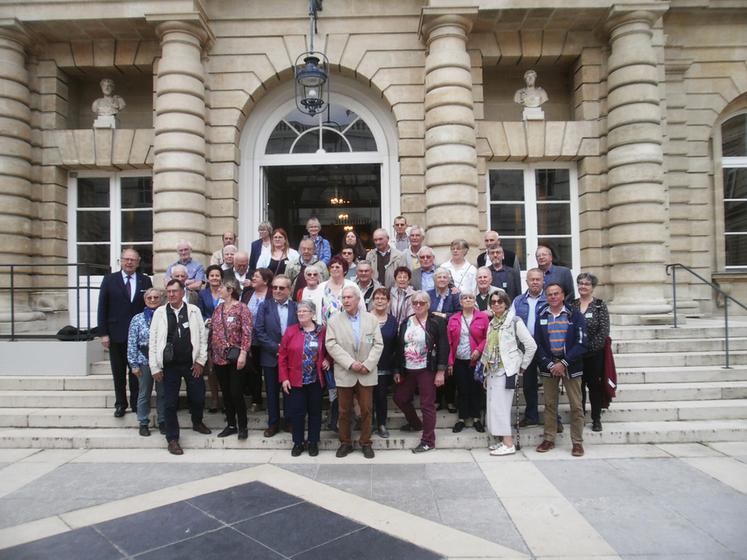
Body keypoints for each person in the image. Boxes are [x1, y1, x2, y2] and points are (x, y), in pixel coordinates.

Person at [149, 279, 211, 456]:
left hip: (191, 364)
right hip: (169, 366)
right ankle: (172, 438)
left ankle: (197, 422)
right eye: (168, 292)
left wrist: (200, 361)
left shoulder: (193, 311)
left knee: (198, 397)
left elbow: (202, 336)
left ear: (182, 292)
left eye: (174, 291)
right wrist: (154, 367)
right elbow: (153, 341)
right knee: (169, 403)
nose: (170, 295)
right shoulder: (160, 313)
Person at [325, 286, 384, 459]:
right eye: (344, 298)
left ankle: (366, 442)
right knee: (344, 411)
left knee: (366, 409)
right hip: (346, 372)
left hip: (367, 372)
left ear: (358, 300)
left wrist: (368, 364)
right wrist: (351, 364)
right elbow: (331, 345)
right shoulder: (334, 321)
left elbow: (378, 344)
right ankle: (345, 443)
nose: (346, 301)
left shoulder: (371, 320)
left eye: (350, 297)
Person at [97, 247, 153, 417]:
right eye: (126, 259)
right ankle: (120, 403)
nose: (129, 262)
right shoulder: (109, 280)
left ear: (138, 262)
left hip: (138, 336)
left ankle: (136, 403)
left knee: (137, 372)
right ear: (121, 261)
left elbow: (149, 307)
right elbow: (102, 308)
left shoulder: (145, 281)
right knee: (119, 371)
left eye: (133, 260)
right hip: (116, 334)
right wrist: (103, 333)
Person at [482, 290, 537, 456]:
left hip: (506, 371)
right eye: (493, 302)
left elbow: (531, 346)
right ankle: (501, 440)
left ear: (506, 303)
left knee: (501, 407)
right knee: (494, 406)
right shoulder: (492, 323)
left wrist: (522, 366)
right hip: (492, 369)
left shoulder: (514, 321)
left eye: (500, 301)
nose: (496, 304)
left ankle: (508, 443)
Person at [534, 283, 587, 457]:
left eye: (556, 293)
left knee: (576, 405)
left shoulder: (574, 314)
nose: (553, 297)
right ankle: (549, 438)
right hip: (549, 365)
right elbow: (538, 344)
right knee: (549, 404)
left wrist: (563, 363)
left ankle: (577, 442)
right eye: (550, 294)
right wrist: (550, 364)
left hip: (570, 365)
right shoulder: (542, 314)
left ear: (563, 295)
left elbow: (581, 344)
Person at [393, 290, 449, 453]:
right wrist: (397, 369)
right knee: (400, 398)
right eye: (415, 302)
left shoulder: (436, 322)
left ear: (428, 304)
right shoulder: (406, 322)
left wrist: (440, 371)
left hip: (427, 368)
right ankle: (416, 423)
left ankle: (428, 440)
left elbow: (444, 347)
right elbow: (399, 347)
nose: (418, 305)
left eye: (421, 302)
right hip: (408, 369)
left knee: (427, 404)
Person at [279, 300, 330, 457]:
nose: (301, 313)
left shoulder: (322, 331)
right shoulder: (290, 331)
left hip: (315, 380)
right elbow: (282, 356)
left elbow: (331, 348)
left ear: (313, 314)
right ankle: (298, 442)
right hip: (296, 380)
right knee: (298, 413)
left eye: (305, 311)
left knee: (315, 412)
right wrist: (284, 378)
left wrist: (328, 359)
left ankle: (313, 442)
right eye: (299, 311)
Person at [254, 274, 298, 437]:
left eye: (282, 288)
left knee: (290, 392)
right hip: (271, 357)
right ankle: (273, 424)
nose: (277, 291)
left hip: (291, 358)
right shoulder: (264, 306)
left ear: (289, 289)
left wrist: (288, 350)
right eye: (275, 287)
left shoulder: (296, 307)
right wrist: (276, 348)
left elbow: (301, 330)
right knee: (272, 393)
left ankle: (289, 421)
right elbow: (259, 331)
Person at [209, 277, 252, 440]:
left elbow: (247, 333)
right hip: (219, 358)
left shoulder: (242, 309)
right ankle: (231, 424)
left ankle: (243, 425)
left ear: (230, 290)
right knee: (225, 393)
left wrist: (243, 354)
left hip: (235, 358)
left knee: (236, 393)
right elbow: (213, 330)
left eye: (222, 287)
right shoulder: (218, 308)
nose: (218, 289)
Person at [572, 272, 610, 432]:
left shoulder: (600, 305)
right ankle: (579, 417)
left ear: (592, 287)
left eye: (586, 284)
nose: (583, 286)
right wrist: (576, 350)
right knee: (577, 388)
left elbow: (603, 332)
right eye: (580, 283)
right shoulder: (572, 305)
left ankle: (596, 418)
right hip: (576, 355)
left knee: (594, 387)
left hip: (594, 355)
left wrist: (588, 348)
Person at [447, 291, 489, 433]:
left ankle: (477, 418)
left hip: (476, 360)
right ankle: (462, 418)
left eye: (471, 297)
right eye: (465, 298)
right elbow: (449, 342)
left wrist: (478, 350)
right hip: (459, 360)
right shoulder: (454, 319)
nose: (468, 300)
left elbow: (487, 337)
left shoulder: (482, 317)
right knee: (462, 389)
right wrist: (450, 362)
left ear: (474, 301)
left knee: (476, 389)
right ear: (460, 302)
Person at [512, 268, 548, 428]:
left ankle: (554, 419)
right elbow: (511, 323)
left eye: (537, 279)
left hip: (546, 348)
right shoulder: (518, 301)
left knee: (550, 385)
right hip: (526, 348)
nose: (534, 282)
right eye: (531, 279)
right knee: (528, 384)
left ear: (543, 281)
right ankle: (531, 415)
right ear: (526, 282)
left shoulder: (551, 299)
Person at [127, 287, 165, 436]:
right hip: (143, 361)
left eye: (156, 297)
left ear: (160, 299)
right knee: (144, 393)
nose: (153, 300)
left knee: (162, 393)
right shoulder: (137, 319)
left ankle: (163, 421)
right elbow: (132, 342)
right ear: (145, 300)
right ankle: (143, 422)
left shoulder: (165, 316)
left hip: (161, 361)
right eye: (149, 298)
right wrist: (133, 364)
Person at [370, 287, 398, 438]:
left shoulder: (393, 321)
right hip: (366, 366)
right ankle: (367, 423)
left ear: (388, 302)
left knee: (381, 397)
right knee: (366, 398)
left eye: (383, 298)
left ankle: (381, 424)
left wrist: (396, 369)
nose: (380, 301)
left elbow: (396, 345)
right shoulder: (365, 318)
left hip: (384, 366)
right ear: (372, 301)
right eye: (377, 298)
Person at [244, 268, 274, 410]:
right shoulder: (247, 294)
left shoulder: (272, 294)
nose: (253, 278)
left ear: (266, 281)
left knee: (269, 372)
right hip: (251, 340)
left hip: (269, 339)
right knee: (253, 371)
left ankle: (272, 400)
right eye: (253, 276)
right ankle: (257, 400)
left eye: (256, 276)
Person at [197, 264, 224, 413]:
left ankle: (226, 399)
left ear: (221, 278)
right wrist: (208, 321)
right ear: (207, 278)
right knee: (212, 368)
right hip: (208, 333)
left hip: (225, 334)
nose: (214, 278)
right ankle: (215, 399)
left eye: (217, 275)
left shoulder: (226, 292)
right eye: (212, 275)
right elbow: (199, 312)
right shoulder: (202, 294)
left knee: (225, 367)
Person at [320, 255, 362, 324]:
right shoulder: (322, 286)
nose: (334, 269)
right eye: (332, 267)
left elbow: (360, 306)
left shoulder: (352, 285)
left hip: (348, 326)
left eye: (337, 267)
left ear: (345, 270)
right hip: (326, 329)